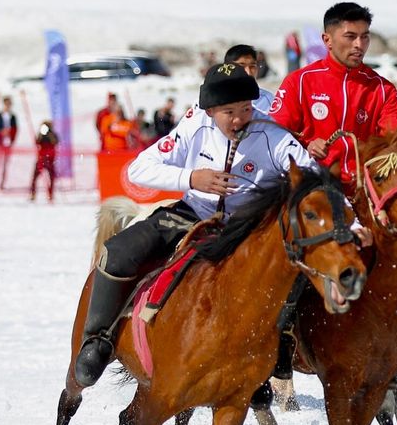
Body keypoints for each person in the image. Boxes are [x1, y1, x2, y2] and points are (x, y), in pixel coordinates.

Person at [73, 64, 325, 387]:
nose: (239, 119)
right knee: (117, 252)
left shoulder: (273, 135)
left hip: (246, 231)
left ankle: (282, 350)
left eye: (246, 109)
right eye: (229, 112)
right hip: (192, 214)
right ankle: (98, 340)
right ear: (210, 111)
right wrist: (192, 178)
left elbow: (315, 179)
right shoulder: (194, 124)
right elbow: (138, 168)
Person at [270, 2, 397, 185]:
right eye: (350, 37)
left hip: (365, 191)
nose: (359, 45)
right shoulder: (299, 81)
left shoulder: (383, 89)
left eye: (365, 37)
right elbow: (273, 136)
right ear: (327, 40)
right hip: (313, 191)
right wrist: (305, 146)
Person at [224, 44, 275, 115]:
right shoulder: (215, 100)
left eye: (252, 66)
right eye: (241, 66)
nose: (248, 72)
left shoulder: (268, 100)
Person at [0, 95, 17, 191]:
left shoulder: (13, 116)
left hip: (7, 142)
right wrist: (0, 132)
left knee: (5, 164)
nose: (8, 106)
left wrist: (10, 134)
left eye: (9, 104)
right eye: (6, 104)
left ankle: (1, 184)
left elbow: (15, 129)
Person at [30, 121, 58, 202]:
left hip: (50, 160)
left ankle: (50, 195)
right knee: (35, 177)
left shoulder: (53, 134)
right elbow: (37, 142)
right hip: (41, 159)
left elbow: (55, 142)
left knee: (51, 178)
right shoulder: (41, 134)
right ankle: (33, 194)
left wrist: (50, 135)